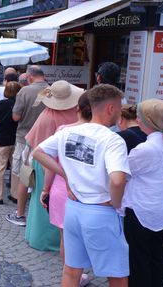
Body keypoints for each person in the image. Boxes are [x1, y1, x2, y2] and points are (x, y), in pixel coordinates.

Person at [33, 84, 130, 286]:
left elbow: (38, 152)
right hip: (100, 211)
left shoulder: (68, 132)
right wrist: (116, 202)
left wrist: (65, 174)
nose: (121, 111)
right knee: (117, 276)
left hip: (74, 209)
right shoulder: (113, 140)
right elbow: (118, 179)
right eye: (120, 107)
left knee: (71, 271)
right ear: (111, 109)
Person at [123, 99, 163, 287]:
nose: (136, 119)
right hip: (159, 208)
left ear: (149, 121)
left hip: (140, 210)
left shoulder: (146, 149)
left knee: (138, 260)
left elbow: (123, 173)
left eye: (140, 116)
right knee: (156, 255)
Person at [23, 81, 83, 252]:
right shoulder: (69, 115)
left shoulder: (47, 114)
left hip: (46, 160)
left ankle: (38, 237)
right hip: (56, 163)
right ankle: (50, 239)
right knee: (52, 202)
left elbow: (33, 142)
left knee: (43, 201)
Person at [40, 92, 92, 286]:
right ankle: (77, 274)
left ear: (77, 109)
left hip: (63, 189)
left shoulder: (63, 130)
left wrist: (46, 189)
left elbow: (48, 160)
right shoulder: (104, 134)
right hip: (89, 192)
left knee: (66, 236)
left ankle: (70, 276)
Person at [7, 65, 49, 224]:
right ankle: (38, 214)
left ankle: (20, 214)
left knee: (24, 177)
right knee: (42, 178)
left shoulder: (24, 91)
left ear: (30, 77)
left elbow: (16, 117)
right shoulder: (52, 90)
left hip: (26, 140)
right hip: (47, 141)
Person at [0, 81, 21, 204]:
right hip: (16, 138)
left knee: (0, 168)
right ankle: (15, 194)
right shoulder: (20, 104)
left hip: (2, 138)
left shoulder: (2, 103)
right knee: (15, 167)